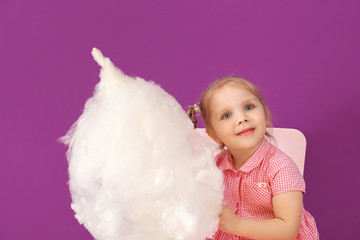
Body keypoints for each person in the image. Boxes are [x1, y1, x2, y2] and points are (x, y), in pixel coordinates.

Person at [188, 76, 319, 240]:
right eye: (226, 115)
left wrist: (236, 224)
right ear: (214, 134)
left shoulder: (280, 167)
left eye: (249, 107)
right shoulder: (217, 165)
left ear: (265, 114)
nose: (242, 118)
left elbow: (288, 229)